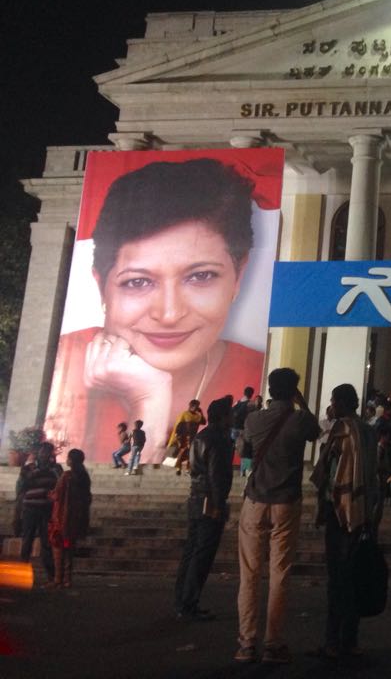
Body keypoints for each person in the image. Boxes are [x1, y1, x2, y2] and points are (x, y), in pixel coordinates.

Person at [44, 159, 267, 465]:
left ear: (238, 278)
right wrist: (148, 399)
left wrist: (149, 396)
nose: (170, 314)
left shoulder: (261, 374)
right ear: (101, 286)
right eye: (137, 281)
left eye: (200, 276)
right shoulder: (63, 363)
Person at [235, 367, 319, 665]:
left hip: (256, 500)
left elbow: (243, 448)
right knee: (279, 573)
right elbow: (316, 432)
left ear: (270, 389)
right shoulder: (299, 420)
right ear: (293, 390)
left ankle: (247, 642)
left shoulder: (254, 418)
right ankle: (273, 643)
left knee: (250, 573)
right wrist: (302, 402)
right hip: (286, 502)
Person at [310, 383, 380, 662]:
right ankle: (349, 640)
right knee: (353, 577)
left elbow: (328, 471)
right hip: (362, 509)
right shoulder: (369, 431)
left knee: (338, 579)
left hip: (340, 509)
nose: (331, 405)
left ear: (340, 403)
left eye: (332, 400)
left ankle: (332, 641)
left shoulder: (342, 431)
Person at [174, 395, 234, 620]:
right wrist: (219, 505)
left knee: (191, 552)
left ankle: (182, 601)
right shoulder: (218, 440)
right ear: (222, 417)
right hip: (209, 500)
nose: (232, 417)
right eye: (229, 414)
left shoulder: (201, 437)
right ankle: (189, 603)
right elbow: (217, 475)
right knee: (202, 555)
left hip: (196, 498)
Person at [15, 441, 63, 585]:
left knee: (46, 542)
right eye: (42, 451)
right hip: (30, 508)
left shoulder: (56, 469)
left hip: (46, 510)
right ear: (38, 453)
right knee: (27, 540)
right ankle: (22, 572)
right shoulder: (28, 468)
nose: (44, 454)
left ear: (51, 454)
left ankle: (51, 575)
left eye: (47, 451)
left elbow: (60, 485)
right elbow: (21, 487)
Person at [47, 448, 92, 589]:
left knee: (58, 549)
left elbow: (57, 495)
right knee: (69, 549)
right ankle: (68, 579)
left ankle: (58, 579)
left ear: (71, 460)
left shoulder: (67, 476)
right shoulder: (84, 477)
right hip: (75, 522)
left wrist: (48, 494)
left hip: (61, 520)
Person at [171, 399, 205, 476]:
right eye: (195, 406)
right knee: (182, 452)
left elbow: (203, 422)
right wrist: (178, 436)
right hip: (184, 437)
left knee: (191, 453)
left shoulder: (197, 416)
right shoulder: (185, 414)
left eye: (197, 406)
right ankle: (178, 468)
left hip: (193, 437)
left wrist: (201, 413)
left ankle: (188, 468)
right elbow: (179, 426)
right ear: (191, 406)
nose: (196, 408)